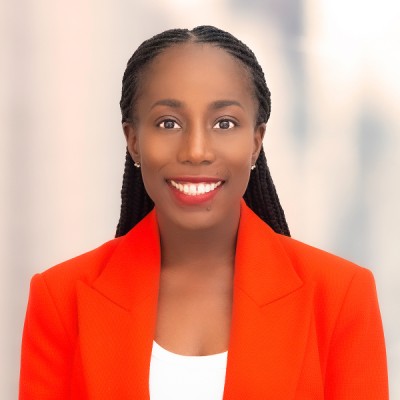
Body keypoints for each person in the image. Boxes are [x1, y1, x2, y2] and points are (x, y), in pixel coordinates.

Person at [19, 26, 388, 399]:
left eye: (224, 123)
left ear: (256, 142)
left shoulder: (342, 296)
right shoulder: (60, 298)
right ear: (133, 141)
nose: (196, 151)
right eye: (168, 123)